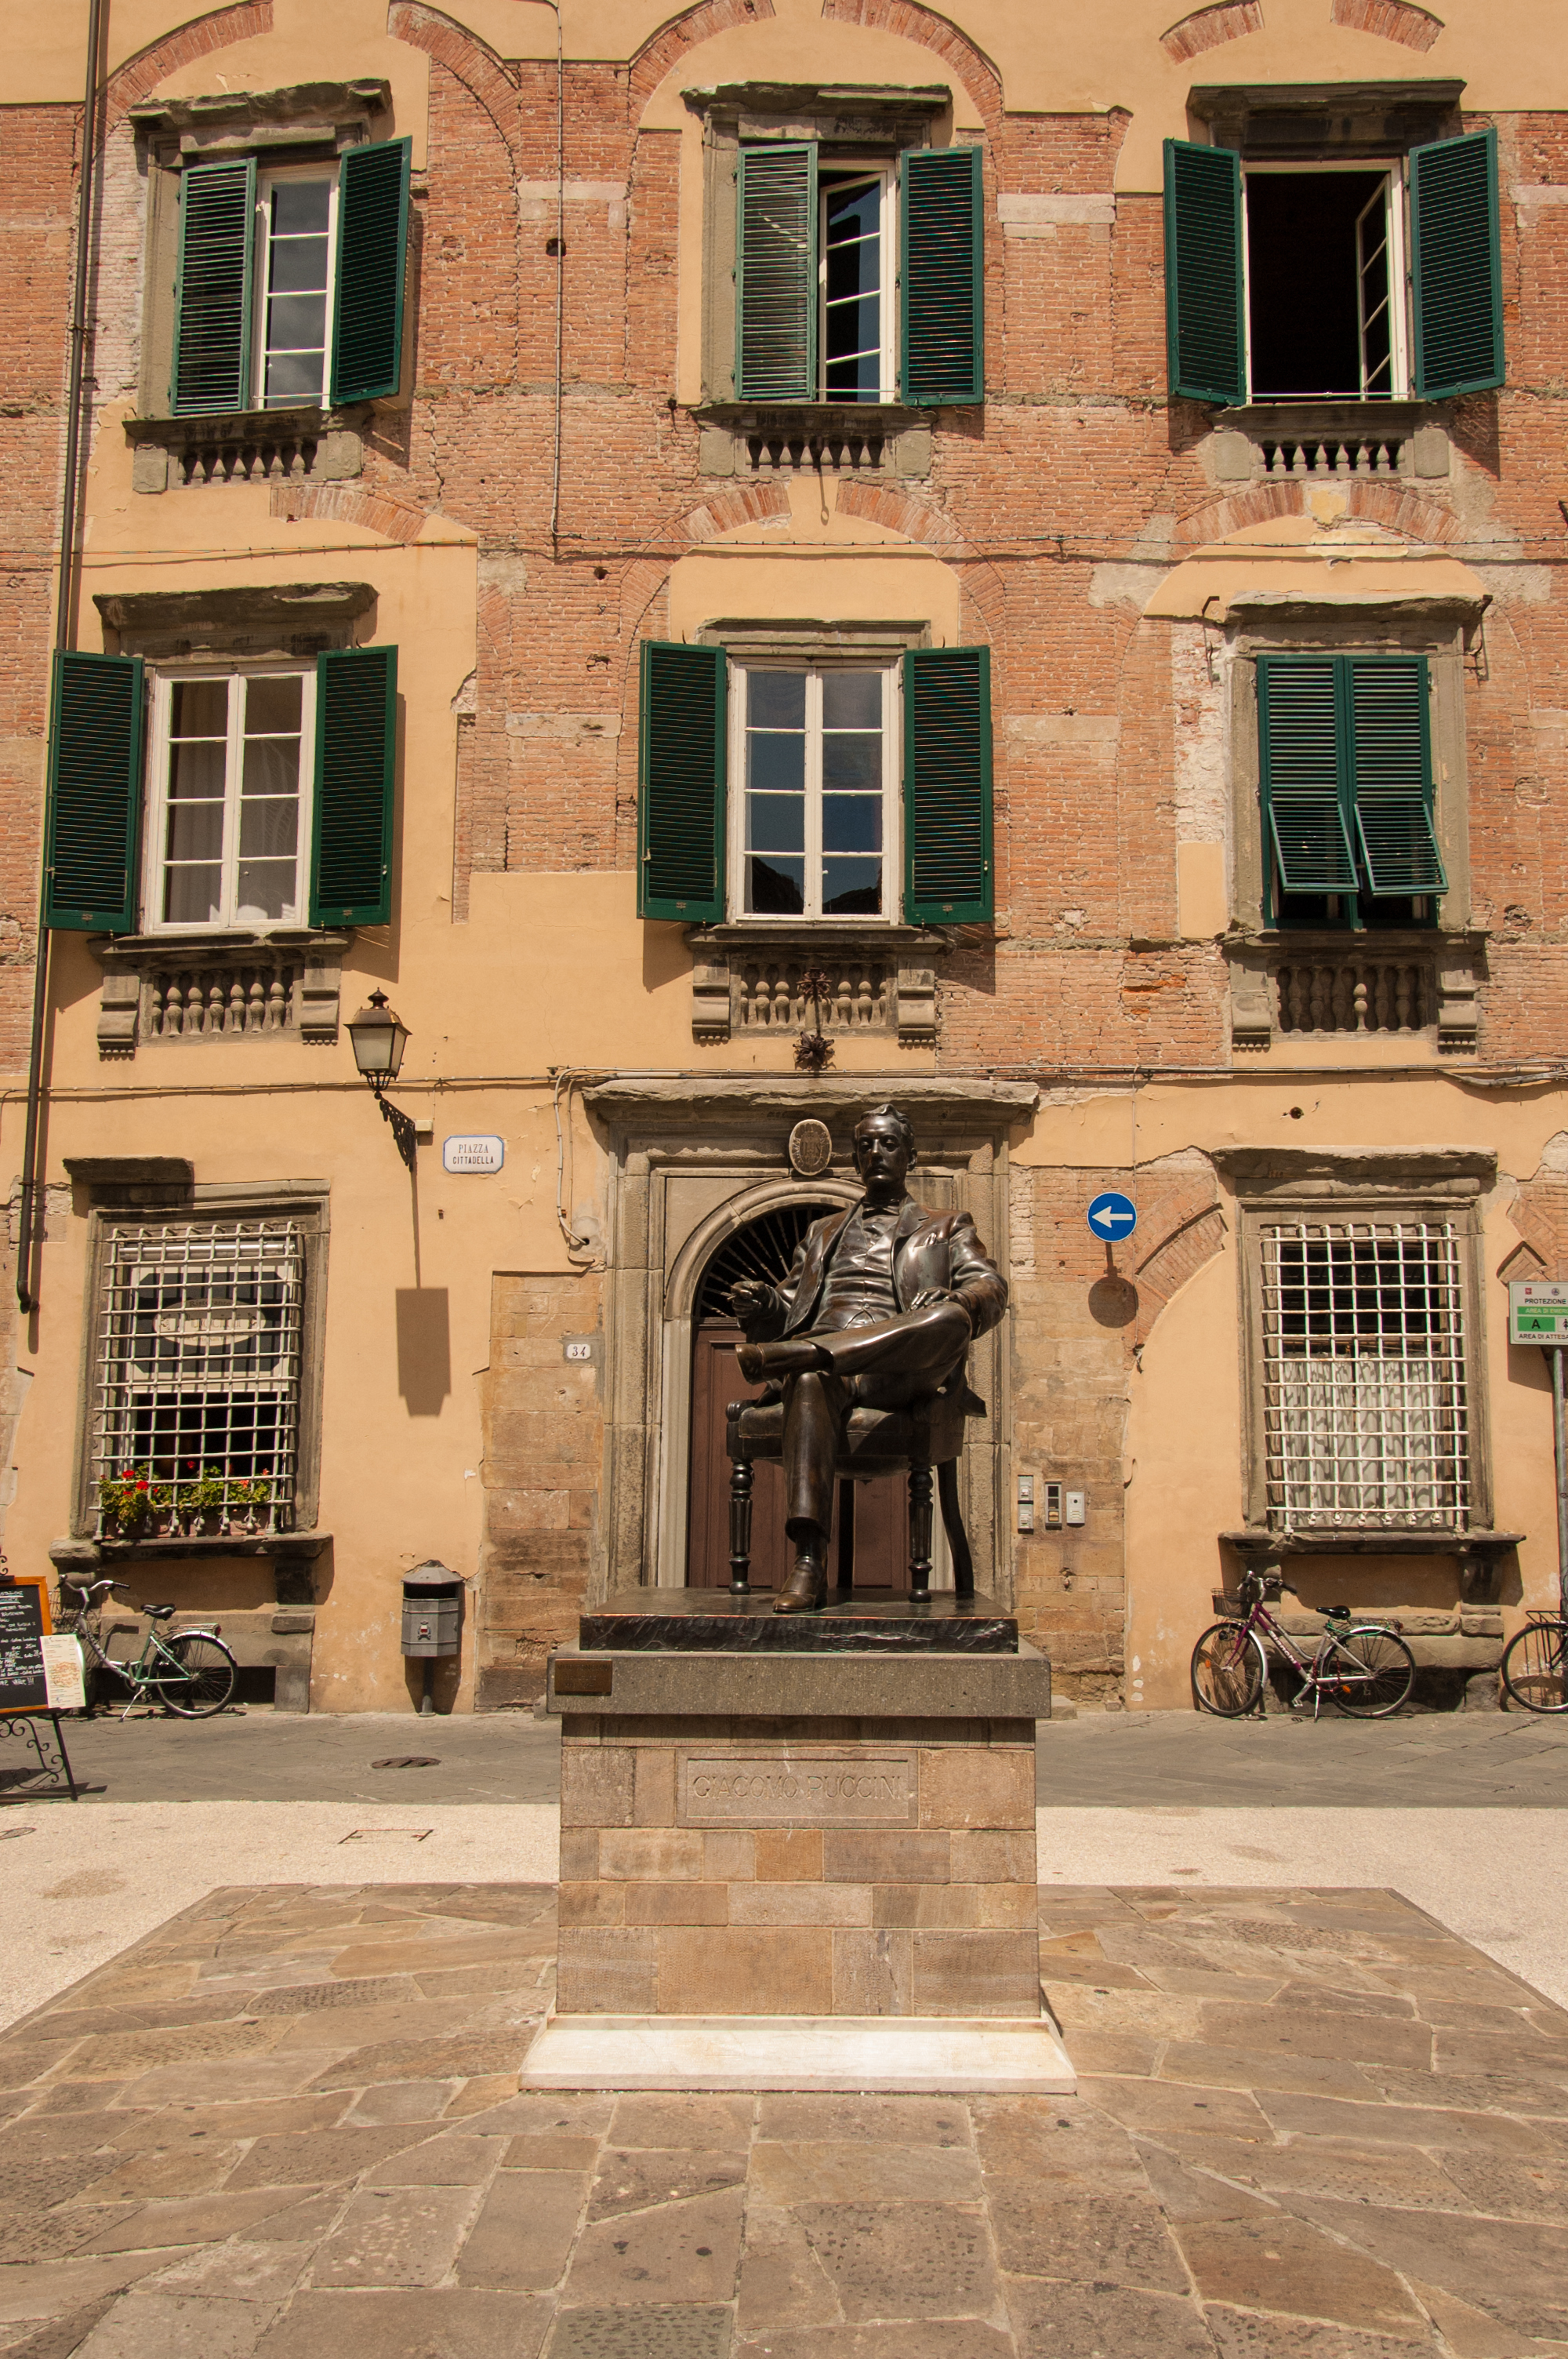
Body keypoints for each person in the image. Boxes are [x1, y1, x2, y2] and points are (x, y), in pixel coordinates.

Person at [729, 1104, 1008, 1613]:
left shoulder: (946, 1227)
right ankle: (808, 1563)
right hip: (830, 1368)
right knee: (810, 1379)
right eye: (865, 1145)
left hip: (899, 1370)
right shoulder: (822, 1232)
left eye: (887, 1144)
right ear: (856, 1158)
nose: (875, 1153)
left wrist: (958, 1299)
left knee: (950, 1322)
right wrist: (766, 1304)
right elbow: (795, 1303)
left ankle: (801, 1355)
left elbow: (990, 1287)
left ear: (911, 1155)